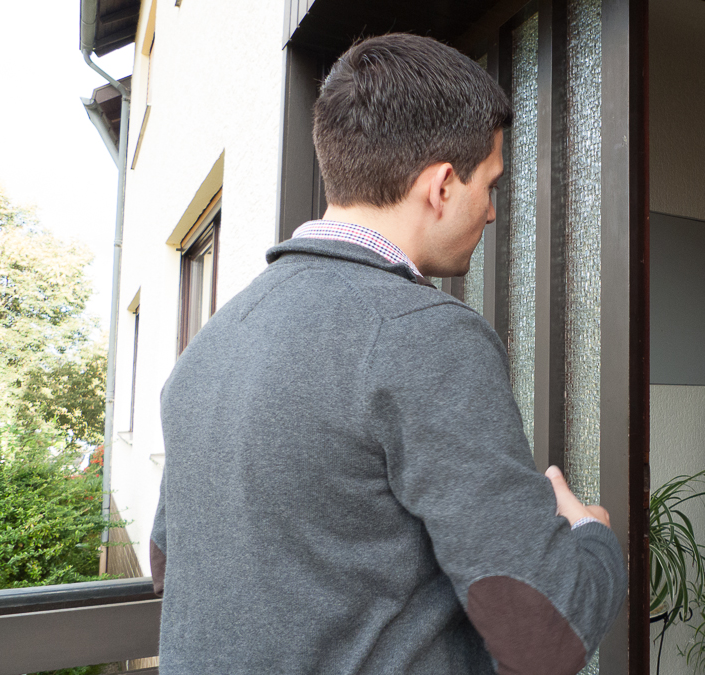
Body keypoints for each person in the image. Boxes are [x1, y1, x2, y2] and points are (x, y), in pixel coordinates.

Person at [149, 34, 627, 675]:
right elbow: (544, 636)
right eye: (491, 185)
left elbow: (165, 561)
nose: (491, 213)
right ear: (441, 185)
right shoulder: (424, 335)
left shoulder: (209, 344)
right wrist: (592, 535)